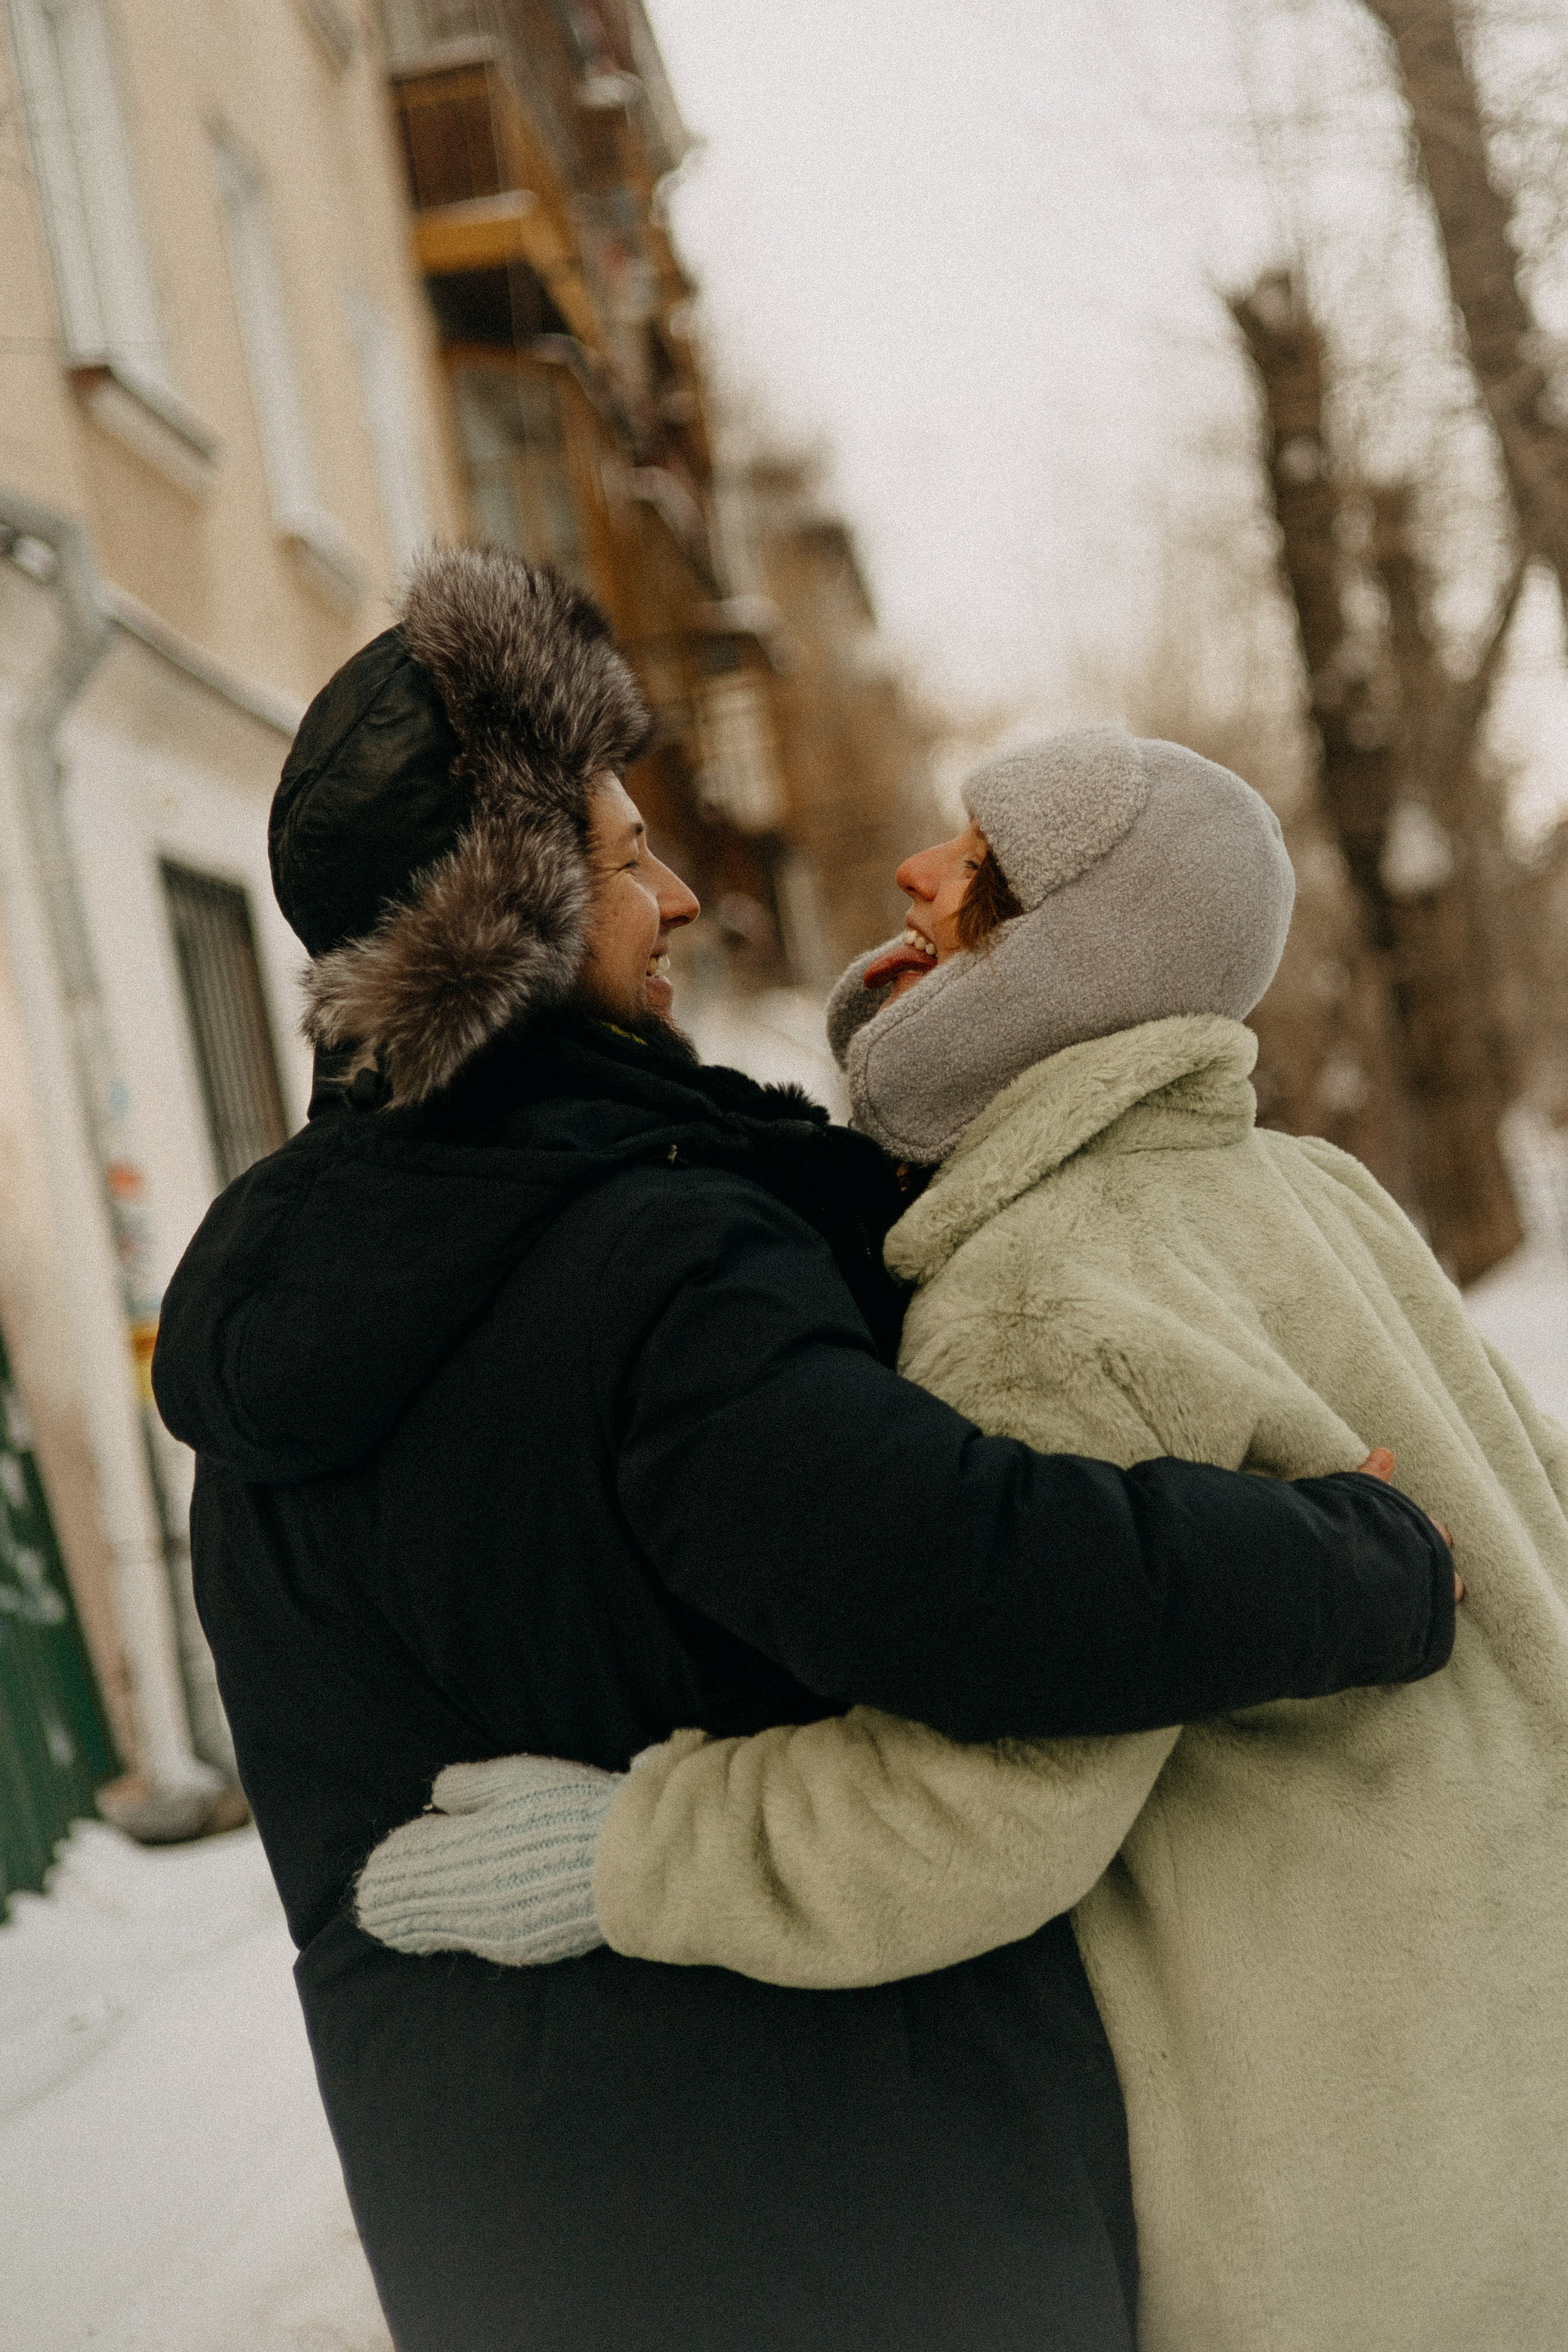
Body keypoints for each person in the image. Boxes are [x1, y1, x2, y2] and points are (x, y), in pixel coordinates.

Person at [153, 556, 1455, 2352]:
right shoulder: (648, 1257)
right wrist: (1357, 1563)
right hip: (861, 2225)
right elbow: (970, 1587)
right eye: (623, 862)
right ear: (510, 919)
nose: (679, 893)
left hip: (501, 2246)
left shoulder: (279, 1331)